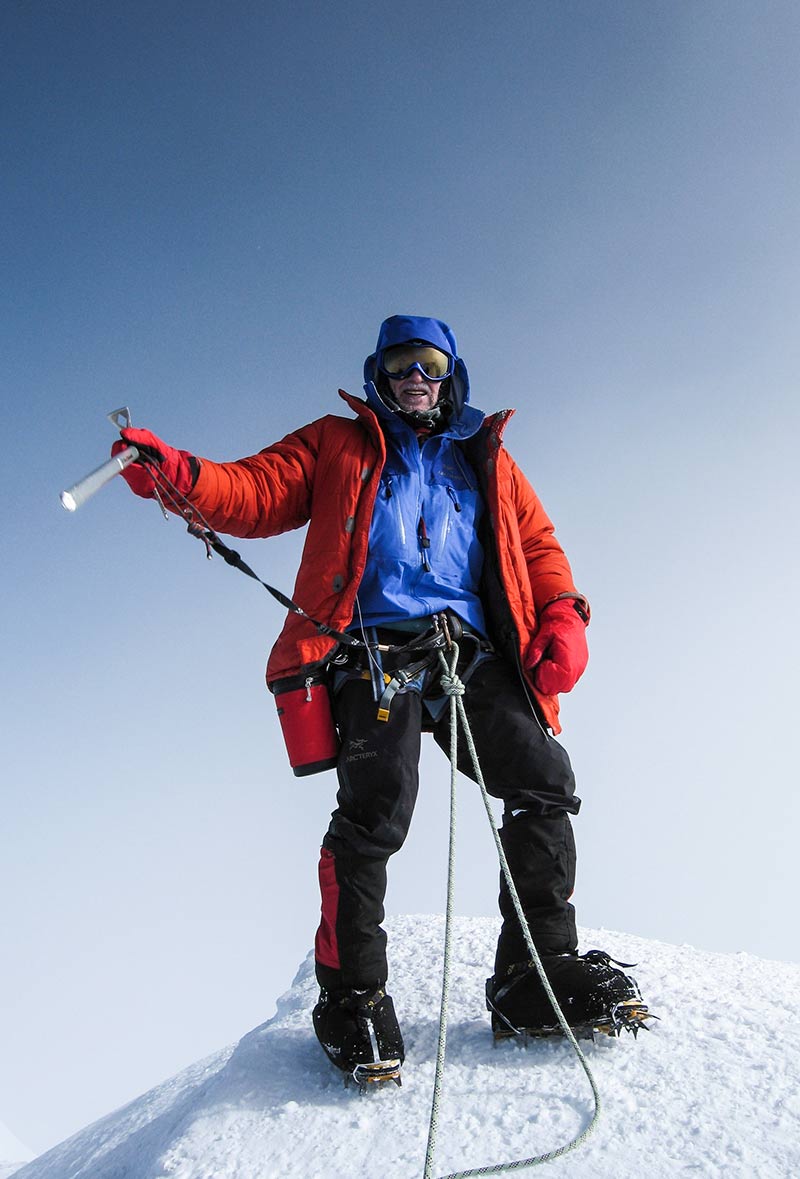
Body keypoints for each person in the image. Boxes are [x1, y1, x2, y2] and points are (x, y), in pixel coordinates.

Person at [114, 314, 649, 1079]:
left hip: (468, 649)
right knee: (377, 807)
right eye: (399, 365)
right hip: (376, 648)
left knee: (543, 780)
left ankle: (534, 976)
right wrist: (178, 472)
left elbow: (536, 544)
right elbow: (255, 490)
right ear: (379, 376)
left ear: (451, 373)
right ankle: (352, 994)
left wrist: (563, 610)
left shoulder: (486, 456)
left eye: (428, 363)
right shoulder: (339, 443)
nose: (414, 378)